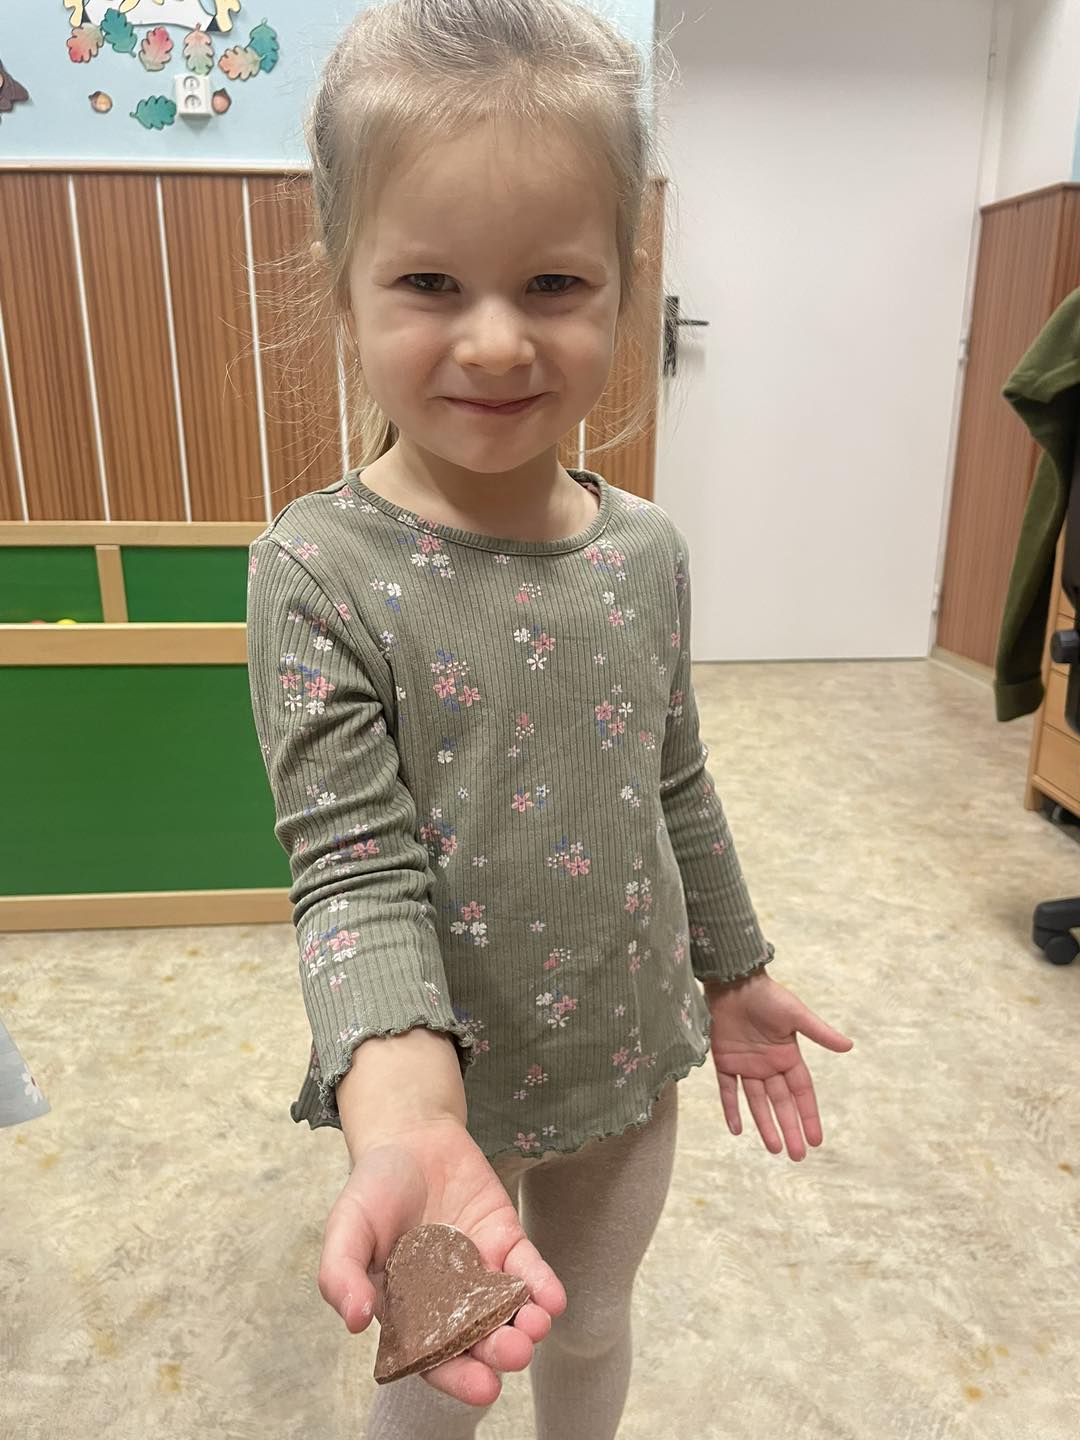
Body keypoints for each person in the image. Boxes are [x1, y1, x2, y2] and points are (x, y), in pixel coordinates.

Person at [245, 3, 854, 1436]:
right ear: (344, 289)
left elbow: (675, 782)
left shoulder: (645, 553)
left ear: (628, 288)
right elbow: (351, 869)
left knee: (594, 1325)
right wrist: (409, 1121)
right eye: (431, 281)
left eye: (556, 282)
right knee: (445, 1371)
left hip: (625, 1052)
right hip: (435, 1080)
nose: (497, 339)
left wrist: (734, 969)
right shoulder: (317, 569)